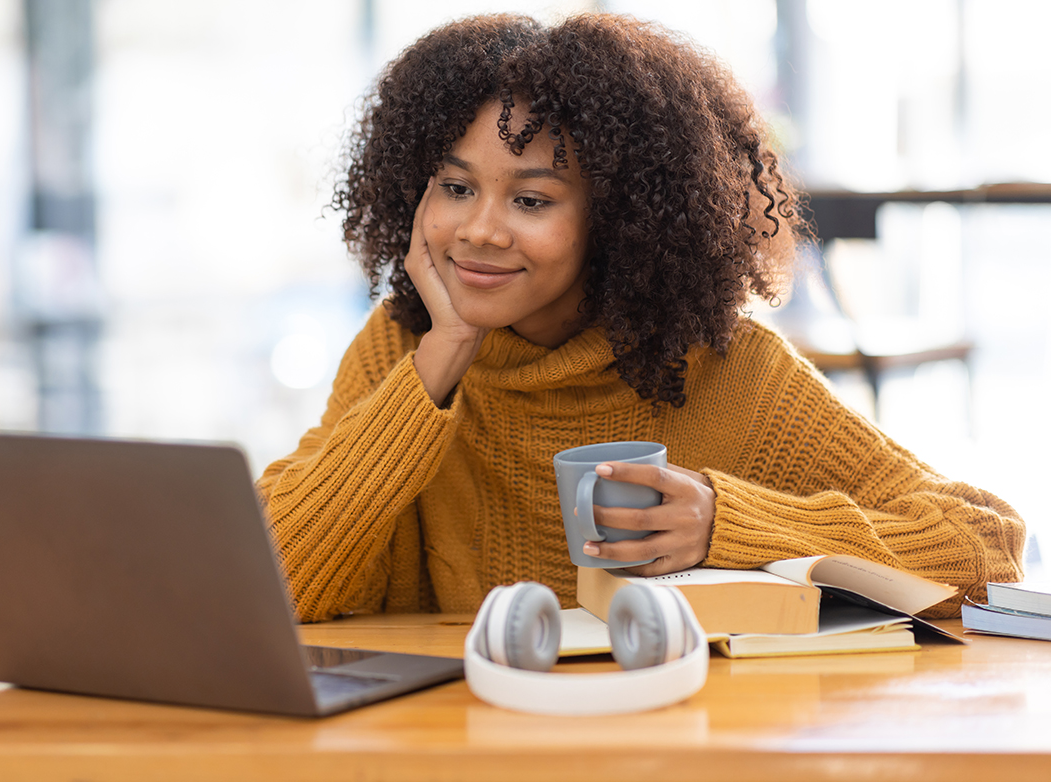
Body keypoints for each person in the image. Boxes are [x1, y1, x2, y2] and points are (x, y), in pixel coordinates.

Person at [258, 13, 1024, 623]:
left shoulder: (729, 372)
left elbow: (988, 548)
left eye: (531, 200)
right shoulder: (403, 352)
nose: (481, 230)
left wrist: (728, 523)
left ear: (618, 220)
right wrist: (444, 355)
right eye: (456, 188)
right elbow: (271, 585)